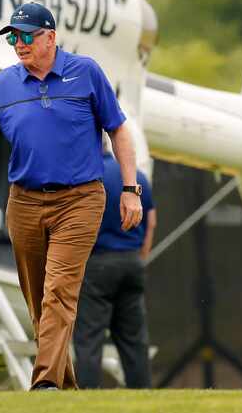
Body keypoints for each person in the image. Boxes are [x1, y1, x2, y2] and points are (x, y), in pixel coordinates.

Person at [0, 2, 143, 391]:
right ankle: (65, 387)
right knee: (39, 299)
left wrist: (130, 190)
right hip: (23, 202)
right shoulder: (4, 85)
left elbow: (119, 130)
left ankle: (44, 384)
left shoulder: (86, 72)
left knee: (60, 288)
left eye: (27, 36)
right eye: (13, 37)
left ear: (50, 37)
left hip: (80, 200)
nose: (19, 44)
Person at [73, 147, 156, 389]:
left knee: (89, 337)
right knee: (134, 339)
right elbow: (151, 222)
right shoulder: (138, 178)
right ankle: (142, 394)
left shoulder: (86, 176)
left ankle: (87, 394)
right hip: (132, 261)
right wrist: (140, 257)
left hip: (97, 262)